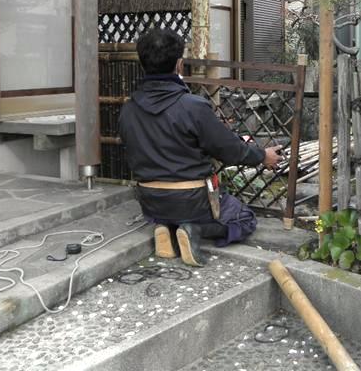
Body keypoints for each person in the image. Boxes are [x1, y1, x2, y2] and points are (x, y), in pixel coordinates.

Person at [118, 28, 283, 266]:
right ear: (179, 64)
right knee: (244, 218)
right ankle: (193, 229)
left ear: (142, 64)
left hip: (150, 200)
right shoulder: (193, 106)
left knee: (171, 210)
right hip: (193, 200)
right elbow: (229, 149)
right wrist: (262, 156)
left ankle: (167, 228)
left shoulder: (128, 109)